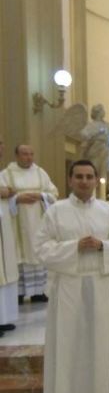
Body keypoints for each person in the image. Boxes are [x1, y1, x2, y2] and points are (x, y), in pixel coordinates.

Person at [34, 160, 109, 393]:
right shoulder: (56, 212)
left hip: (100, 284)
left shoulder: (108, 212)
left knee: (100, 345)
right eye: (79, 176)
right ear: (70, 179)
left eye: (89, 176)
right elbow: (40, 248)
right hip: (69, 286)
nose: (84, 181)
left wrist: (102, 247)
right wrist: (74, 247)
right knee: (68, 344)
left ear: (96, 179)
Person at [0, 144, 58, 304]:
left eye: (31, 154)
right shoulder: (6, 174)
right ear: (17, 155)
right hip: (16, 224)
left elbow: (54, 193)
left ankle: (38, 292)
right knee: (19, 255)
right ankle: (18, 294)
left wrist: (41, 196)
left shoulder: (40, 173)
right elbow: (2, 197)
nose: (29, 157)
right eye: (25, 154)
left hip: (38, 223)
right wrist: (17, 199)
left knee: (38, 253)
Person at [0, 136, 19, 337]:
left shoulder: (3, 173)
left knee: (5, 271)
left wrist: (9, 192)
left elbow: (11, 192)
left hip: (3, 229)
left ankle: (2, 318)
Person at [81, 104, 109, 185]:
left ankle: (104, 190)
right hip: (95, 150)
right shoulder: (91, 125)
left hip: (106, 150)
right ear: (97, 112)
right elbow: (83, 134)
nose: (103, 112)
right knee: (94, 169)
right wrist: (96, 133)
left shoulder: (107, 125)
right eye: (102, 110)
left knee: (105, 171)